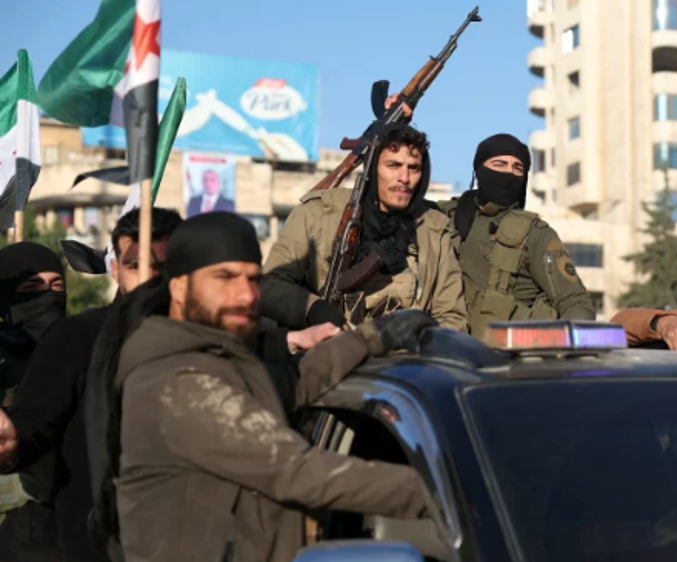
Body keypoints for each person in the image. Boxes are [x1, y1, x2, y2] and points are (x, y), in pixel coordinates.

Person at [85, 212, 432, 562]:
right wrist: (442, 490)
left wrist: (374, 336)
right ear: (179, 287)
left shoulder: (218, 358)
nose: (246, 294)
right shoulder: (179, 382)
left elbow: (296, 381)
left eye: (252, 279)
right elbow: (297, 472)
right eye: (225, 278)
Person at [0, 208, 181, 562]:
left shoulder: (213, 342)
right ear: (115, 269)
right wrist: (14, 441)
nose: (150, 278)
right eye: (135, 265)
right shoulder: (77, 338)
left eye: (57, 287)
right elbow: (37, 419)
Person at [261, 123, 466, 331]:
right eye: (393, 165)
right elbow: (269, 285)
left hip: (403, 356)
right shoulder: (318, 213)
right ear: (372, 168)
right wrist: (313, 309)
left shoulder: (432, 228)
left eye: (413, 168)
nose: (404, 178)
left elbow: (451, 315)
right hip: (324, 349)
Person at [437, 133, 595, 339]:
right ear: (479, 169)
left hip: (509, 361)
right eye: (499, 164)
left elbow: (576, 303)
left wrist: (563, 355)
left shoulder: (536, 234)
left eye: (517, 168)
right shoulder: (443, 216)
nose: (509, 173)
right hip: (446, 355)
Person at [0, 241, 67, 561]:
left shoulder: (77, 348)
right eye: (32, 287)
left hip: (65, 519)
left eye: (57, 286)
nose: (48, 296)